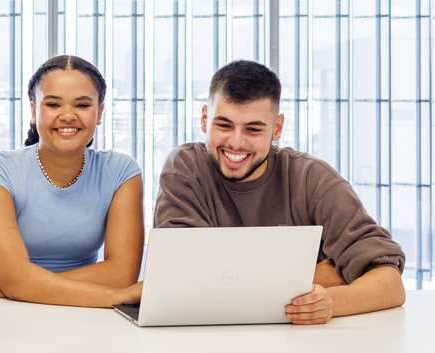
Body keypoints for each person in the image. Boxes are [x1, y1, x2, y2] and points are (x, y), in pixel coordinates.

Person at [154, 60, 406, 325]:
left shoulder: (312, 178)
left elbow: (390, 283)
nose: (236, 142)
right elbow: (181, 283)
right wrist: (312, 277)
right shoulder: (184, 169)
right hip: (207, 342)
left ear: (276, 128)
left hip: (301, 345)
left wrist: (332, 302)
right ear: (205, 119)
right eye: (224, 125)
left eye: (253, 129)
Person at [0, 55, 142, 307]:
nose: (68, 115)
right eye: (53, 105)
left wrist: (16, 286)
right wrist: (15, 285)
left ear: (100, 112)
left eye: (82, 105)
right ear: (34, 111)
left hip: (84, 312)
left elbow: (122, 275)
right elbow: (119, 287)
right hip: (7, 312)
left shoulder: (121, 171)